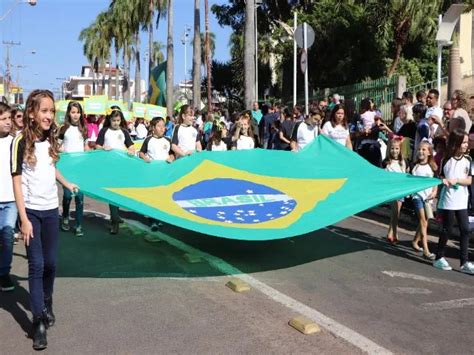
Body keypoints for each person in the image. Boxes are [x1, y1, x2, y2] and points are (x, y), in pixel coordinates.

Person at [11, 90, 78, 350]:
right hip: (31, 213)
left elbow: (51, 167)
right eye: (44, 111)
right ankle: (37, 321)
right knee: (36, 265)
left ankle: (46, 301)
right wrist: (23, 219)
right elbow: (16, 181)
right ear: (31, 113)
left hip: (51, 211)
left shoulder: (51, 139)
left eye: (52, 111)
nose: (49, 116)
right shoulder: (20, 142)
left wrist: (66, 182)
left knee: (51, 264)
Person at [433, 129, 473, 273]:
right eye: (463, 142)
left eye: (467, 142)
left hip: (462, 200)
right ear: (456, 143)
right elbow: (440, 176)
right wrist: (442, 180)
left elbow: (469, 180)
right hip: (449, 200)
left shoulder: (468, 160)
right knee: (447, 229)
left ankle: (464, 262)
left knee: (465, 229)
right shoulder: (446, 159)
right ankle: (439, 257)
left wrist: (457, 180)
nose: (466, 145)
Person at [95, 108, 135, 234]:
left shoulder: (124, 131)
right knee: (111, 193)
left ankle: (115, 215)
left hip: (121, 167)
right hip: (108, 167)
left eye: (118, 120)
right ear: (110, 120)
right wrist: (103, 148)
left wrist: (131, 151)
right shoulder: (104, 131)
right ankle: (115, 220)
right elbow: (97, 145)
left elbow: (131, 146)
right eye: (114, 120)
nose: (116, 123)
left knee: (118, 193)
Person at [57, 101, 89, 237]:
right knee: (68, 195)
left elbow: (86, 147)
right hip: (67, 169)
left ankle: (79, 225)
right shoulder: (64, 129)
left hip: (80, 169)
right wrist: (60, 149)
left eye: (78, 112)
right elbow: (56, 146)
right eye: (73, 112)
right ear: (69, 114)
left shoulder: (84, 129)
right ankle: (65, 217)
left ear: (81, 113)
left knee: (80, 197)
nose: (76, 115)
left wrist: (89, 151)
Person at [139, 117, 174, 233]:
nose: (162, 128)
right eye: (159, 126)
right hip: (152, 173)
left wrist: (171, 158)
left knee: (162, 195)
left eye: (163, 126)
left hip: (164, 173)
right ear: (153, 128)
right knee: (153, 196)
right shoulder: (148, 140)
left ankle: (160, 217)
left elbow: (172, 154)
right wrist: (145, 158)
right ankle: (153, 220)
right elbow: (141, 152)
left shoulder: (168, 140)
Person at [411, 140, 438, 259]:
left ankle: (415, 241)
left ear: (429, 153)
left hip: (428, 198)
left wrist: (434, 192)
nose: (421, 151)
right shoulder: (415, 167)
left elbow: (435, 182)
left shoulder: (431, 167)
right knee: (423, 221)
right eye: (419, 149)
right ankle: (426, 250)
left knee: (425, 221)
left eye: (424, 150)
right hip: (417, 196)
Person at [0, 103, 17, 292]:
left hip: (11, 200)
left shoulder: (15, 141)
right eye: (3, 119)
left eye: (9, 118)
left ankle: (4, 273)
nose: (8, 122)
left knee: (7, 235)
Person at [382, 137, 407, 243]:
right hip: (392, 190)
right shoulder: (387, 162)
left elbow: (404, 175)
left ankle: (390, 232)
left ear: (400, 150)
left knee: (396, 213)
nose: (394, 151)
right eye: (392, 148)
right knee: (395, 211)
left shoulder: (402, 162)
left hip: (400, 190)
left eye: (397, 148)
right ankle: (394, 233)